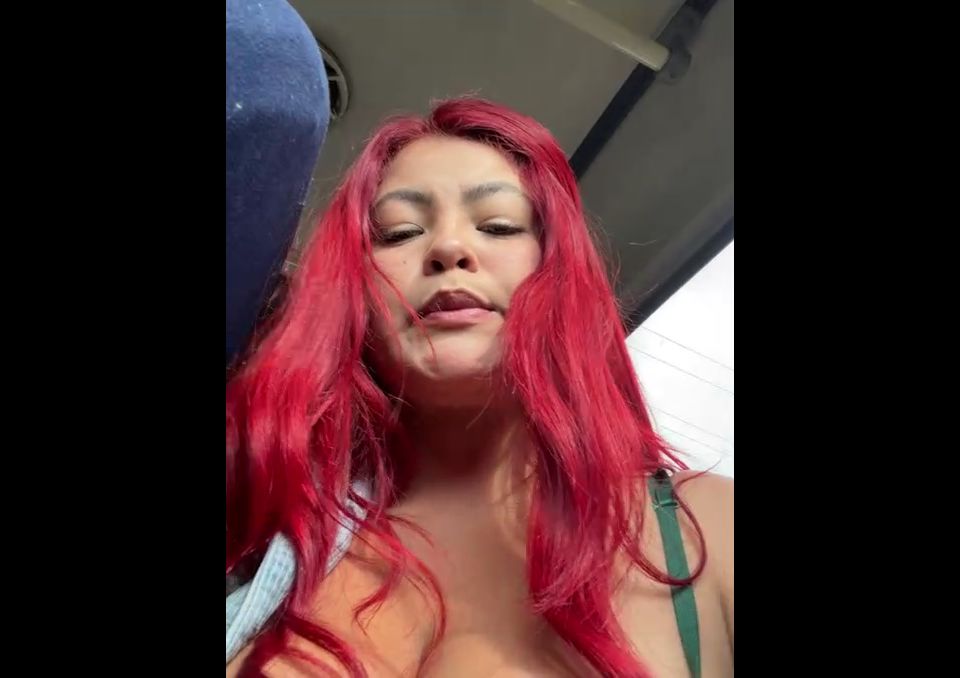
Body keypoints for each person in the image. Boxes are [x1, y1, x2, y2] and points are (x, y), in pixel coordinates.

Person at [226, 97, 733, 677]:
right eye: (398, 233)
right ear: (355, 293)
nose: (448, 248)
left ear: (561, 270)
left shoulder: (707, 527)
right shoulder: (266, 522)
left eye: (498, 225)